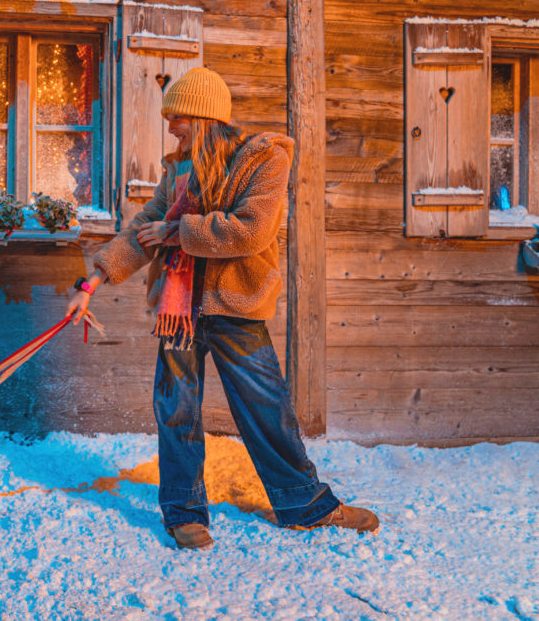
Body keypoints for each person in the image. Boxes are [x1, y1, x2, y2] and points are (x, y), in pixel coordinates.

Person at [66, 67, 378, 550]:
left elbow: (251, 229)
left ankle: (304, 504)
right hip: (179, 309)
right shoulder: (179, 170)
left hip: (236, 305)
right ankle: (185, 513)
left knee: (265, 407)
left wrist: (179, 232)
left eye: (178, 117)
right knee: (176, 411)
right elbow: (143, 227)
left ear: (206, 117)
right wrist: (93, 280)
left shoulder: (263, 160)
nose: (171, 127)